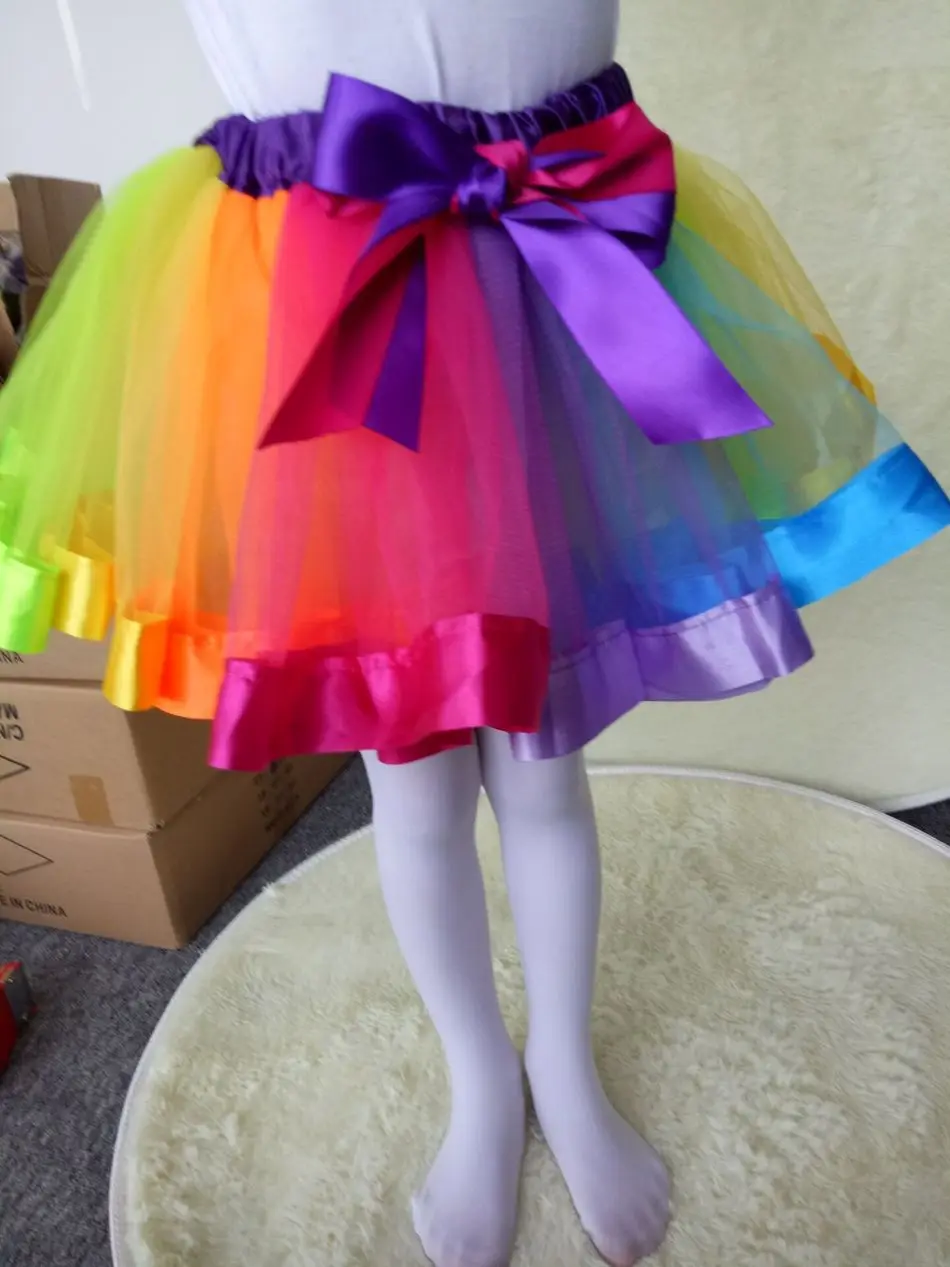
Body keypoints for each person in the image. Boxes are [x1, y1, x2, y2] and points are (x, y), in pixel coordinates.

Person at [1, 2, 947, 1263]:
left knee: (544, 762)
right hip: (328, 294)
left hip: (548, 284)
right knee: (414, 777)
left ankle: (561, 1059)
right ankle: (478, 1076)